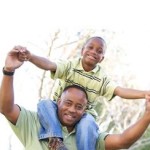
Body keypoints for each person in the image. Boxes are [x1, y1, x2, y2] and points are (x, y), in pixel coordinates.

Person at [1, 48, 150, 150]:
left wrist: (147, 112)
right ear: (58, 101)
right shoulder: (34, 122)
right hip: (48, 122)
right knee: (44, 103)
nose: (72, 109)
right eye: (68, 103)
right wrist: (9, 70)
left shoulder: (88, 133)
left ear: (85, 109)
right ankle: (55, 139)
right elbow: (6, 109)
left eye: (79, 107)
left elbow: (123, 141)